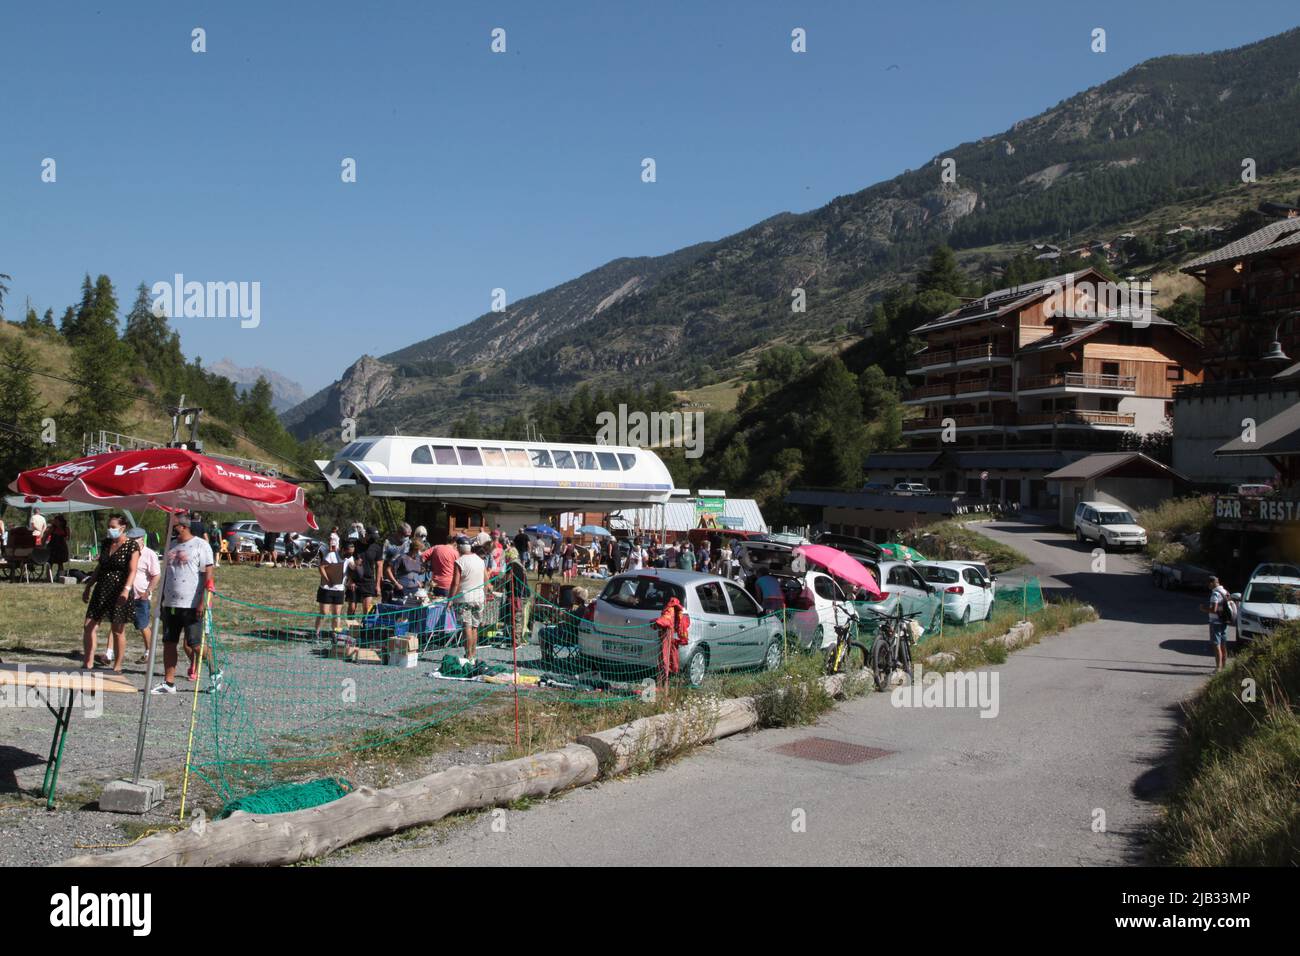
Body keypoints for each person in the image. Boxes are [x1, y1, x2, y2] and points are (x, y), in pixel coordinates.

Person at [151, 519, 219, 694]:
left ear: (183, 527)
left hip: (192, 604)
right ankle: (169, 682)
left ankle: (215, 672)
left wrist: (203, 602)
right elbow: (166, 573)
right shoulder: (170, 546)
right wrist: (160, 600)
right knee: (169, 642)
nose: (169, 529)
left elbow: (209, 576)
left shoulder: (200, 545)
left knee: (195, 644)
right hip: (170, 604)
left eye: (172, 526)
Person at [81, 514, 141, 673]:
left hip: (119, 589)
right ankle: (88, 661)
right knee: (89, 625)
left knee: (117, 629)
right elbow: (100, 567)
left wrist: (126, 590)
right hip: (102, 588)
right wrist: (89, 585)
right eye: (109, 526)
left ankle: (118, 665)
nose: (110, 530)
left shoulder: (131, 546)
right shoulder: (106, 543)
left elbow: (133, 570)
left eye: (113, 527)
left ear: (122, 528)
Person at [448, 536, 492, 662]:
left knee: (467, 627)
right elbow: (486, 580)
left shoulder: (460, 561)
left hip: (464, 598)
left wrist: (450, 599)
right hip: (478, 598)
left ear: (459, 548)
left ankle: (468, 656)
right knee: (475, 627)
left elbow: (455, 583)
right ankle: (472, 654)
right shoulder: (480, 560)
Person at [125, 526, 160, 665]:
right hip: (126, 593)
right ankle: (109, 653)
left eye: (135, 539)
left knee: (142, 624)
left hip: (141, 595)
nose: (133, 542)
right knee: (117, 623)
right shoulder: (127, 552)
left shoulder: (149, 554)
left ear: (142, 539)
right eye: (130, 539)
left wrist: (148, 591)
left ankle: (149, 652)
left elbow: (156, 575)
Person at [1200, 576, 1234, 671]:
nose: (1208, 586)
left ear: (1212, 583)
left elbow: (1214, 609)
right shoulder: (1225, 592)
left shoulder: (1215, 594)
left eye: (1208, 584)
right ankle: (1224, 666)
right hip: (1224, 620)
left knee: (1216, 645)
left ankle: (1218, 668)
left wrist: (1203, 609)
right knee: (1223, 644)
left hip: (1215, 622)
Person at [315, 538, 347, 637]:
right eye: (347, 552)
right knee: (324, 612)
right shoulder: (332, 555)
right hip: (326, 588)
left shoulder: (350, 558)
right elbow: (321, 567)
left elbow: (353, 568)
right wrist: (328, 580)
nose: (349, 555)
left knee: (337, 614)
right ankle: (317, 632)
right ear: (342, 549)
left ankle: (335, 633)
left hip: (339, 589)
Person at [422, 533, 459, 598]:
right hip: (448, 585)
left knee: (435, 606)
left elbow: (422, 556)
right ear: (455, 542)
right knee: (447, 606)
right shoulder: (456, 553)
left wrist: (425, 567)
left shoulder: (436, 548)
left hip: (435, 583)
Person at [46, 514, 70, 578]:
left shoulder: (66, 529)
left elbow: (68, 538)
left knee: (60, 563)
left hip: (61, 547)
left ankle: (61, 577)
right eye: (55, 521)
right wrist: (42, 544)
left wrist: (63, 538)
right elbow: (46, 536)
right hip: (52, 547)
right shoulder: (52, 528)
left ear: (61, 522)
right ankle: (48, 577)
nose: (55, 522)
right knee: (50, 563)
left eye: (57, 521)